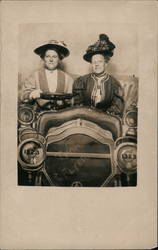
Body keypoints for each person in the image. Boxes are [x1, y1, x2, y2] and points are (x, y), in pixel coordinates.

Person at [73, 34, 124, 117]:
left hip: (105, 119)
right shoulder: (82, 81)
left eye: (100, 61)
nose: (96, 64)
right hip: (85, 117)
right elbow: (78, 104)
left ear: (106, 63)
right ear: (91, 64)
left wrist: (102, 117)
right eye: (94, 62)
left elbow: (116, 108)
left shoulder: (114, 84)